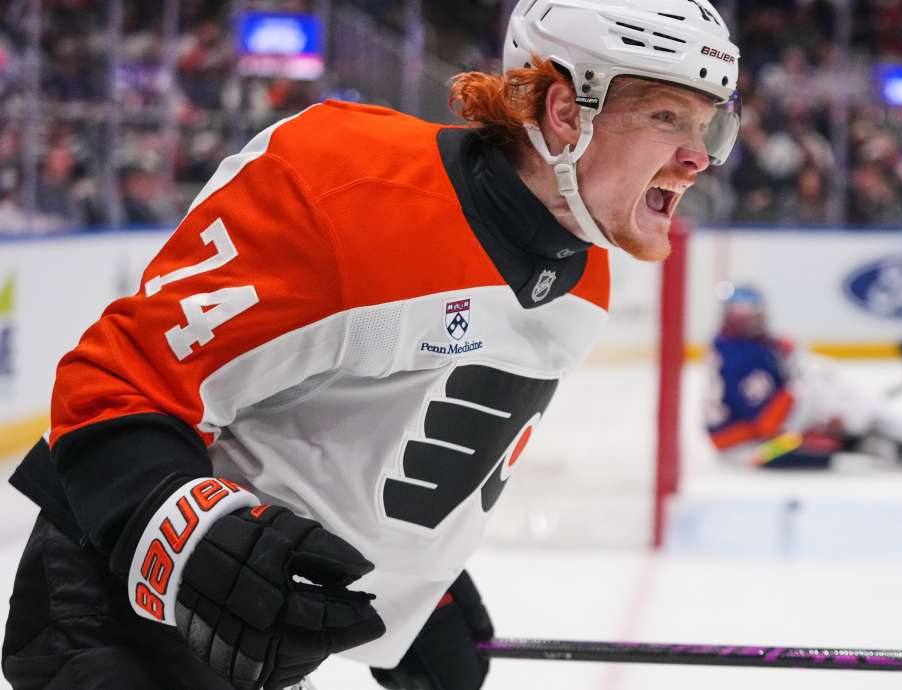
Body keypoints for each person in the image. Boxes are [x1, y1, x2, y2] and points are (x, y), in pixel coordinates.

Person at [1, 2, 742, 689]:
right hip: (111, 609)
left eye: (707, 125)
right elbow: (115, 380)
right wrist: (194, 537)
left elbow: (372, 436)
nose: (697, 156)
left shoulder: (583, 279)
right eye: (666, 116)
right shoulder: (350, 186)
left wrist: (418, 585)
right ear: (561, 113)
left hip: (255, 633)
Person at [703, 285, 902, 470]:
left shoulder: (737, 344)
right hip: (753, 451)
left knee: (830, 399)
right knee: (829, 419)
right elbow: (768, 424)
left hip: (752, 438)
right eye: (752, 317)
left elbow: (773, 351)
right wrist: (803, 394)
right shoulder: (740, 361)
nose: (759, 322)